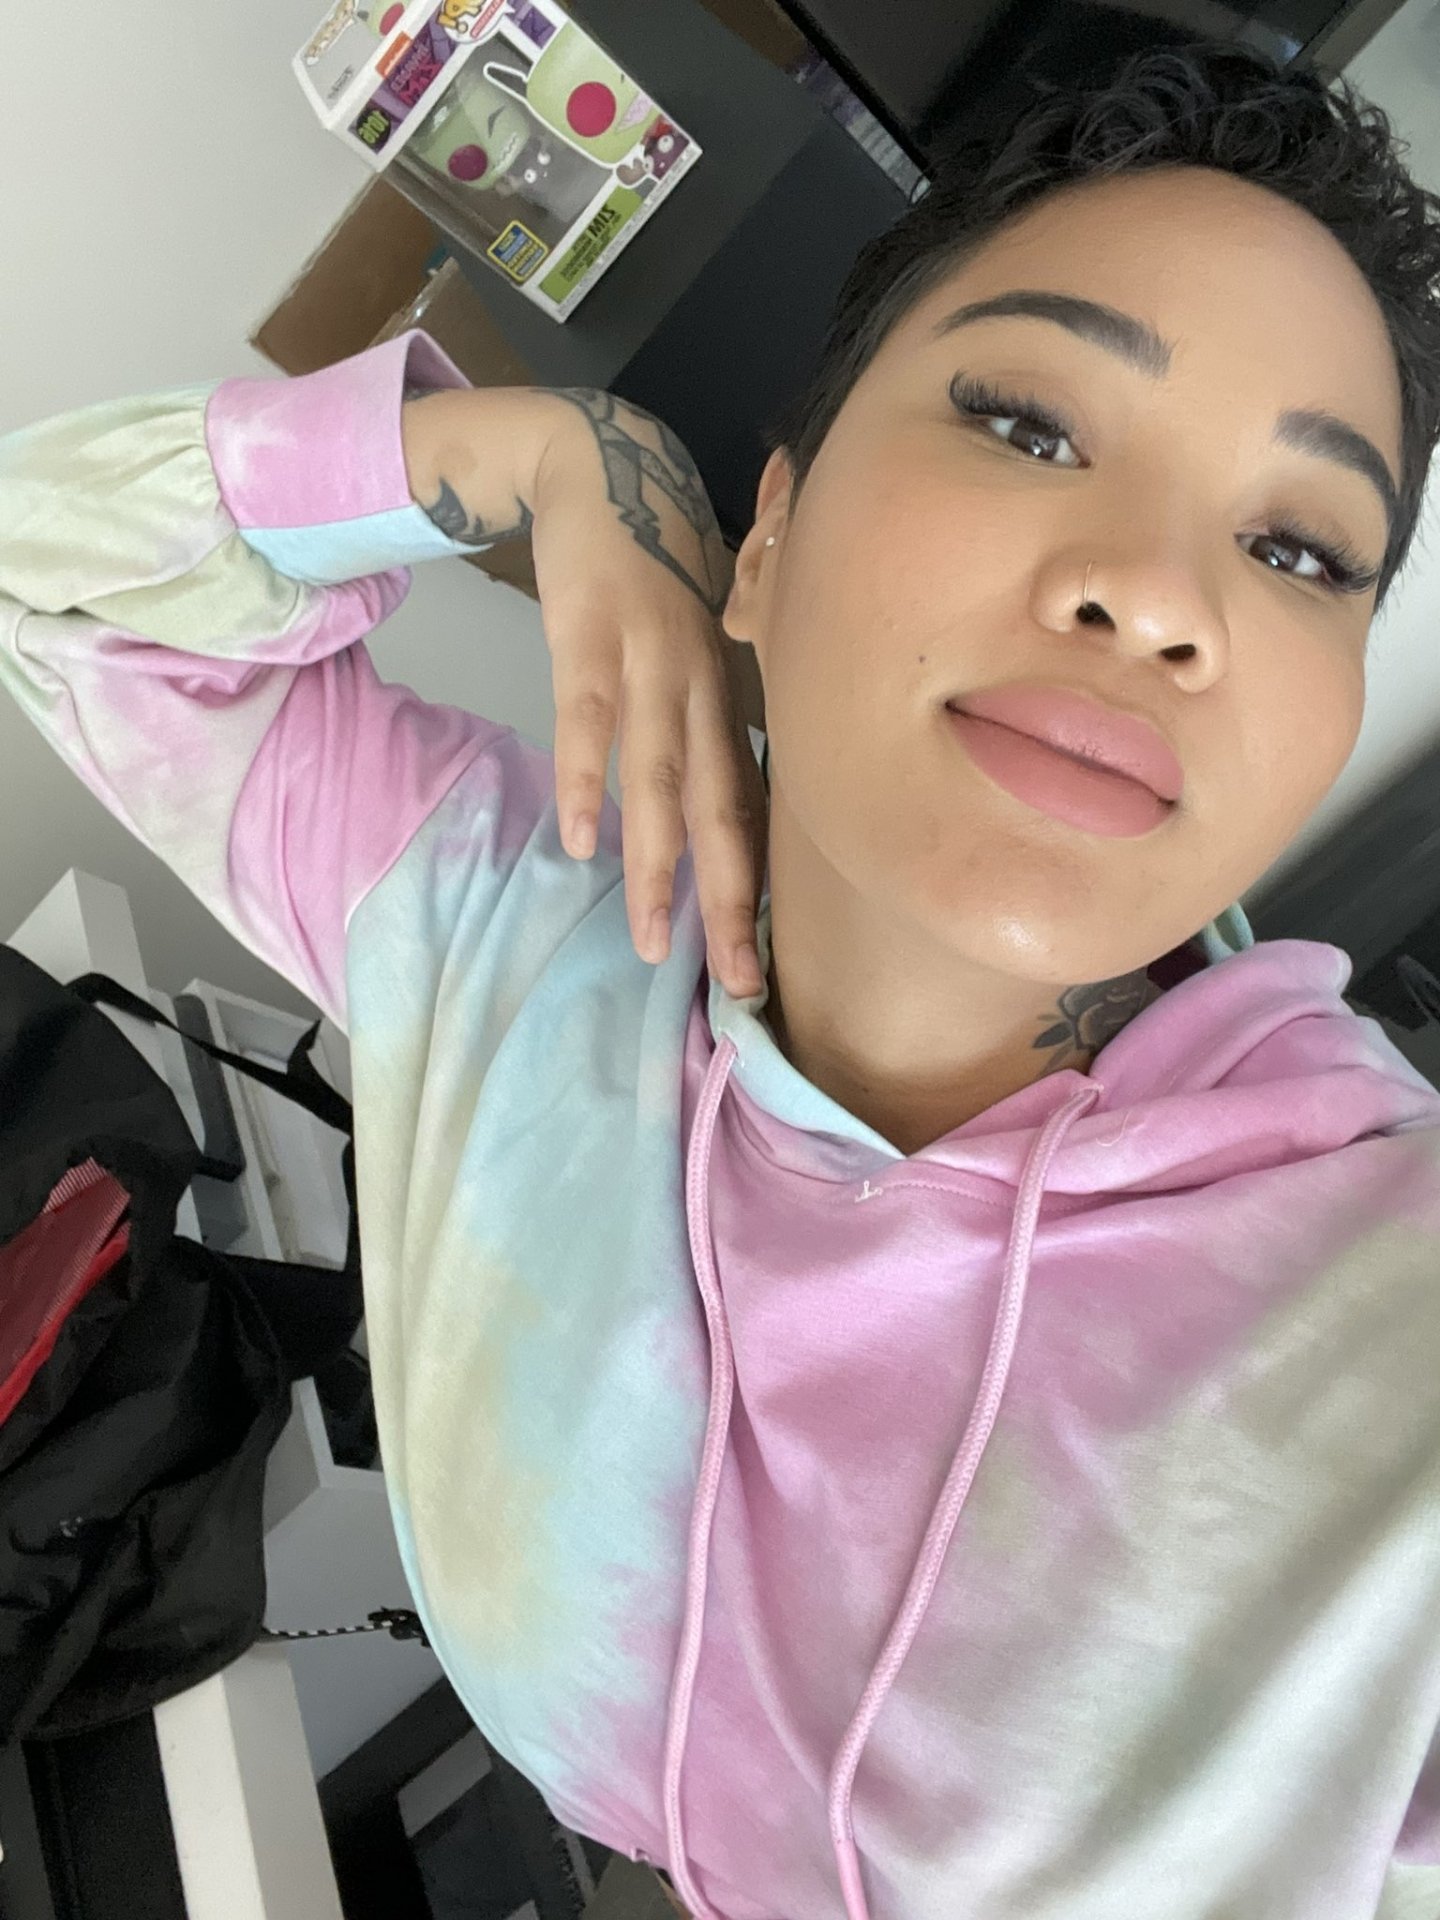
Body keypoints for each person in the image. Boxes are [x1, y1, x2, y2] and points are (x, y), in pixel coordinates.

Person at [5, 32, 1440, 1920]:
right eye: (1031, 425)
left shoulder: (1387, 1311)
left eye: (1300, 548)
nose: (1164, 596)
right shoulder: (503, 928)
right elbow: (54, 576)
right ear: (766, 539)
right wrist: (553, 457)